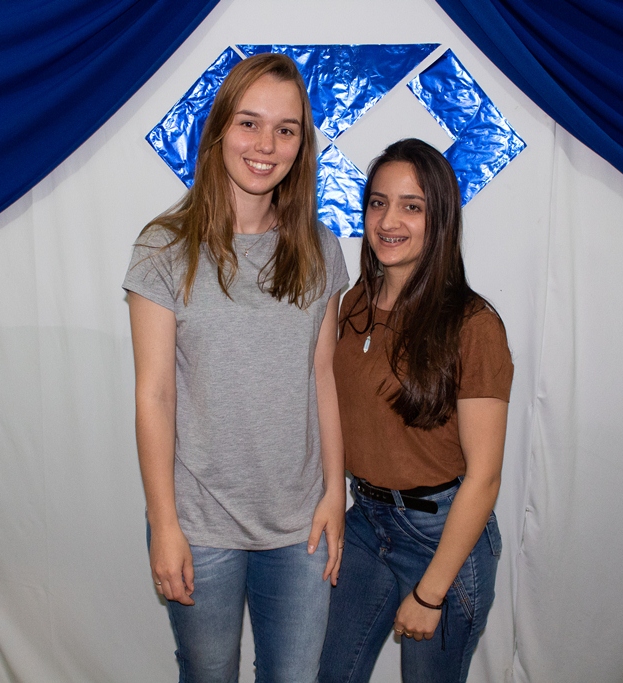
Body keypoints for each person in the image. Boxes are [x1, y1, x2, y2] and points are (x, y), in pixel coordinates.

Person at [123, 52, 349, 682]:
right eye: (249, 123)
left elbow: (323, 377)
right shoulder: (164, 248)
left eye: (286, 129)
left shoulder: (320, 249)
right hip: (199, 524)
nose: (266, 145)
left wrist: (336, 494)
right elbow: (154, 395)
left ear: (302, 145)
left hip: (301, 527)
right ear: (220, 128)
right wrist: (164, 523)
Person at [319, 138, 513, 683]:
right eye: (378, 203)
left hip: (442, 535)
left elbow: (485, 476)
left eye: (412, 206)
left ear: (440, 218)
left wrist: (431, 595)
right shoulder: (353, 302)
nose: (388, 221)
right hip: (366, 520)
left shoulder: (473, 326)